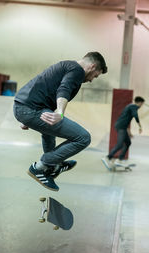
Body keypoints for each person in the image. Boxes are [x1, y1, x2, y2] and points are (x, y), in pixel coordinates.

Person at [13, 52, 107, 191]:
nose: (92, 80)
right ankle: (40, 167)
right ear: (92, 66)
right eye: (95, 76)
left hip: (25, 106)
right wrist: (60, 112)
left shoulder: (66, 65)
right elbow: (65, 88)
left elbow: (44, 87)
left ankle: (54, 166)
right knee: (83, 138)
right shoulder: (77, 70)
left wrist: (25, 117)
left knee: (49, 130)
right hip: (30, 109)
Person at [101, 96, 145, 170]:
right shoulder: (134, 107)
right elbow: (135, 116)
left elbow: (127, 119)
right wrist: (140, 126)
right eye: (142, 104)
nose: (141, 106)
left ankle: (120, 160)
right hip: (121, 127)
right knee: (120, 144)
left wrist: (129, 131)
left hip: (123, 127)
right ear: (139, 103)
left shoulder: (130, 106)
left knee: (128, 143)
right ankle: (107, 157)